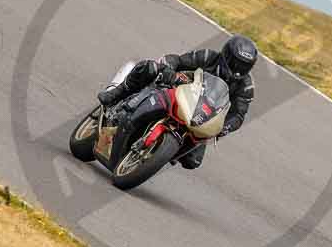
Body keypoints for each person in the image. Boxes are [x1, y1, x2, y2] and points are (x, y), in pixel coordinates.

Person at [97, 35, 257, 169]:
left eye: (244, 67)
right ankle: (116, 93)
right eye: (236, 63)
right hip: (181, 91)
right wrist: (169, 70)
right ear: (226, 55)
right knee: (150, 68)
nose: (238, 70)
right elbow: (178, 60)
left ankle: (153, 155)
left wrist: (224, 127)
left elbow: (238, 115)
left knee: (192, 161)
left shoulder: (246, 86)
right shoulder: (208, 57)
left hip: (202, 117)